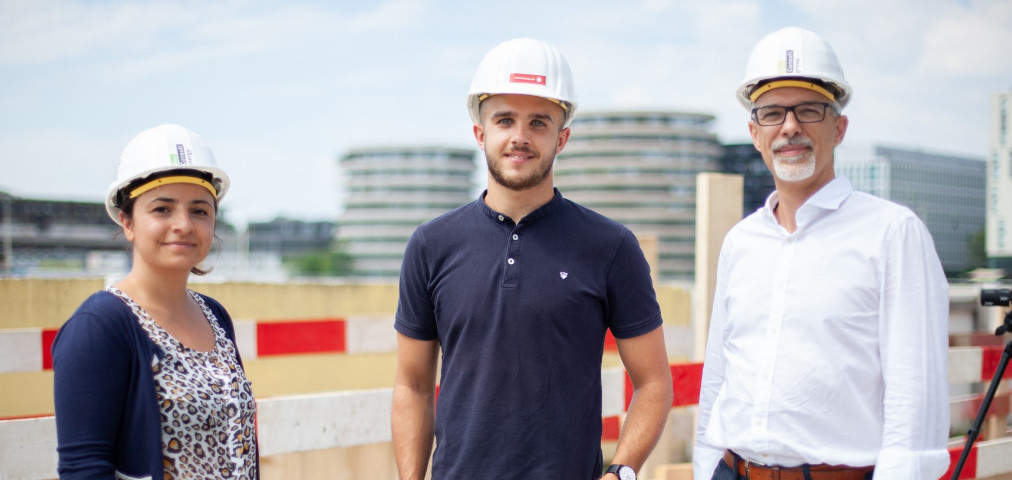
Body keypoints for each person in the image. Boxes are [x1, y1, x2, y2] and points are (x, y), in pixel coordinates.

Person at [392, 38, 674, 480]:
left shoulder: (611, 246)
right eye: (505, 120)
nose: (519, 137)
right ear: (480, 133)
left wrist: (621, 472)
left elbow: (654, 383)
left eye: (538, 123)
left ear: (561, 138)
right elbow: (412, 385)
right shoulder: (430, 245)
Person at [694, 27, 950, 480]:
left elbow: (915, 399)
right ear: (755, 134)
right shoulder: (741, 242)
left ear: (839, 127)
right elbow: (719, 376)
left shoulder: (893, 233)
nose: (790, 127)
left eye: (808, 110)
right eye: (772, 113)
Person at [52, 124, 259, 479]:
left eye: (199, 210)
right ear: (127, 221)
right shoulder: (101, 326)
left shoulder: (215, 315)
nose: (183, 224)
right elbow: (84, 468)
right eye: (162, 209)